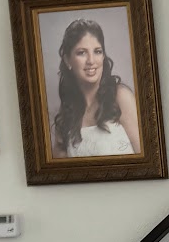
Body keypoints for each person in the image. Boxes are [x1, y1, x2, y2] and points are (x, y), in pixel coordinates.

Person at [52, 18, 141, 158]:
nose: (91, 61)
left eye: (98, 51)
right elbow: (59, 174)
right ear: (67, 60)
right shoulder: (66, 115)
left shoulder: (121, 98)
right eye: (82, 52)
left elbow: (149, 160)